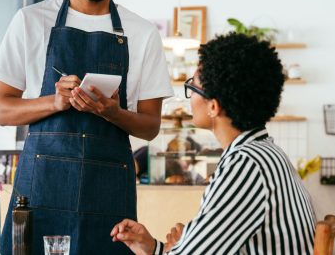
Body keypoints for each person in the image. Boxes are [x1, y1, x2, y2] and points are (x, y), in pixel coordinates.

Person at [0, 0, 173, 254]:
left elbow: (150, 126)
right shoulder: (30, 22)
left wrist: (112, 112)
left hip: (108, 192)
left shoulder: (142, 33)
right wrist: (55, 102)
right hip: (43, 188)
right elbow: (2, 109)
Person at [111, 33, 317, 254]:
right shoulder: (265, 152)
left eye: (193, 87)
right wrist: (155, 248)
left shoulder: (245, 165)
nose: (190, 95)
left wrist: (176, 248)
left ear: (213, 107)